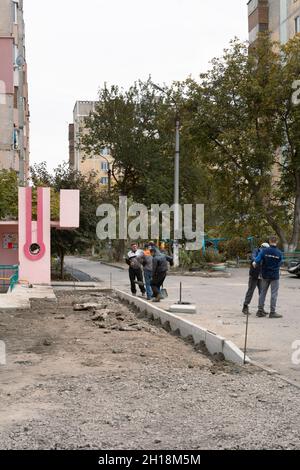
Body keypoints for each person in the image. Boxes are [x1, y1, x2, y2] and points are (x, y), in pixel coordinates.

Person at [253, 236, 283, 318]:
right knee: (274, 294)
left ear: (269, 241)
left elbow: (257, 260)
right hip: (274, 275)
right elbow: (281, 263)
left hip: (265, 275)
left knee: (263, 292)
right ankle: (272, 312)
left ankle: (260, 311)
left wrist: (255, 263)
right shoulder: (279, 253)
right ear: (276, 241)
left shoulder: (264, 251)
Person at [242, 242, 270, 315]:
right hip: (254, 275)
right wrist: (258, 260)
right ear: (262, 247)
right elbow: (253, 258)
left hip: (261, 276)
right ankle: (245, 306)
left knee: (262, 292)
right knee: (250, 291)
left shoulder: (265, 253)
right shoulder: (256, 251)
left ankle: (261, 308)